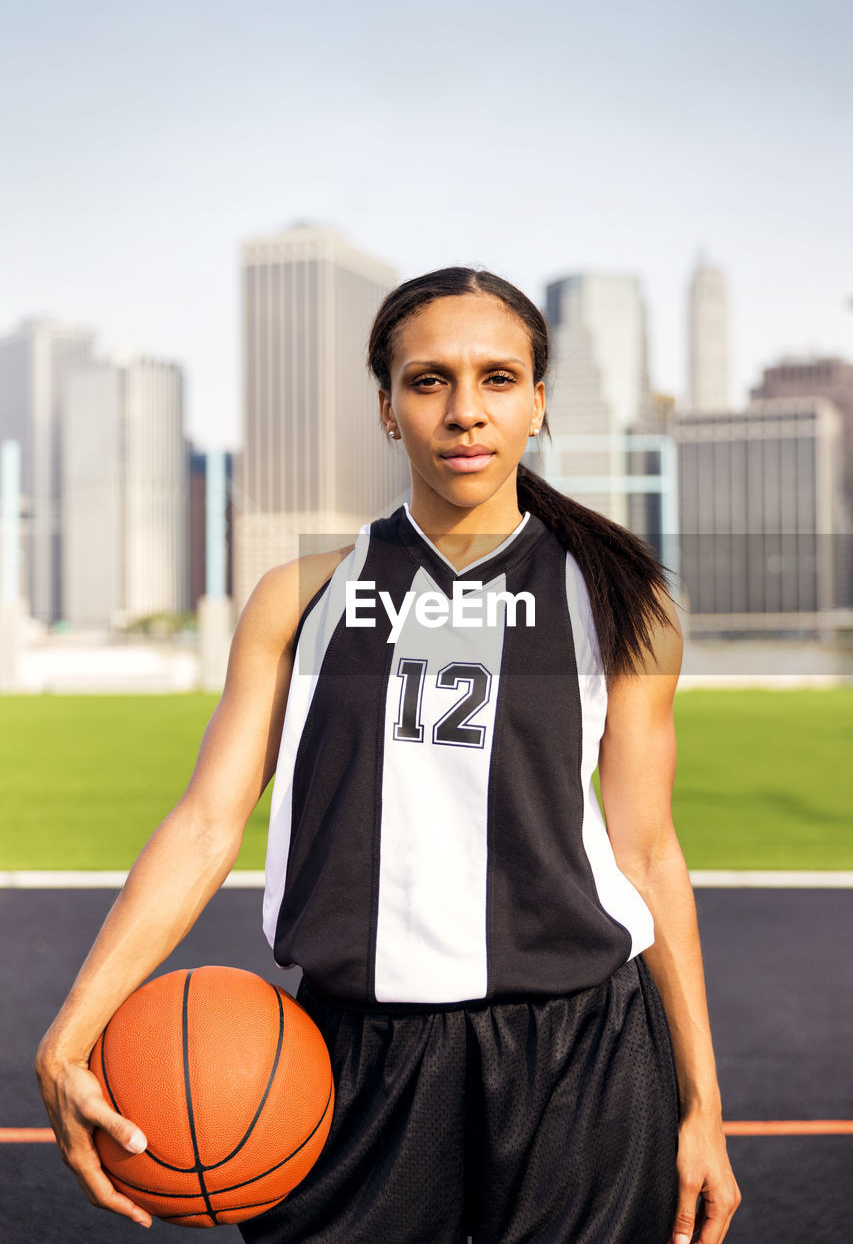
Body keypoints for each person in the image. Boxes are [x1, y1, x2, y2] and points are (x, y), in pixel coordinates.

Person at [36, 267, 741, 1243]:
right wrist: (75, 1022)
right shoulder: (298, 600)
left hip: (580, 1055)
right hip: (354, 1059)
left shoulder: (619, 598)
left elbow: (648, 849)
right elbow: (207, 822)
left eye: (498, 378)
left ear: (538, 402)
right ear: (385, 406)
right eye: (428, 380)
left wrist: (702, 1103)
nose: (464, 411)